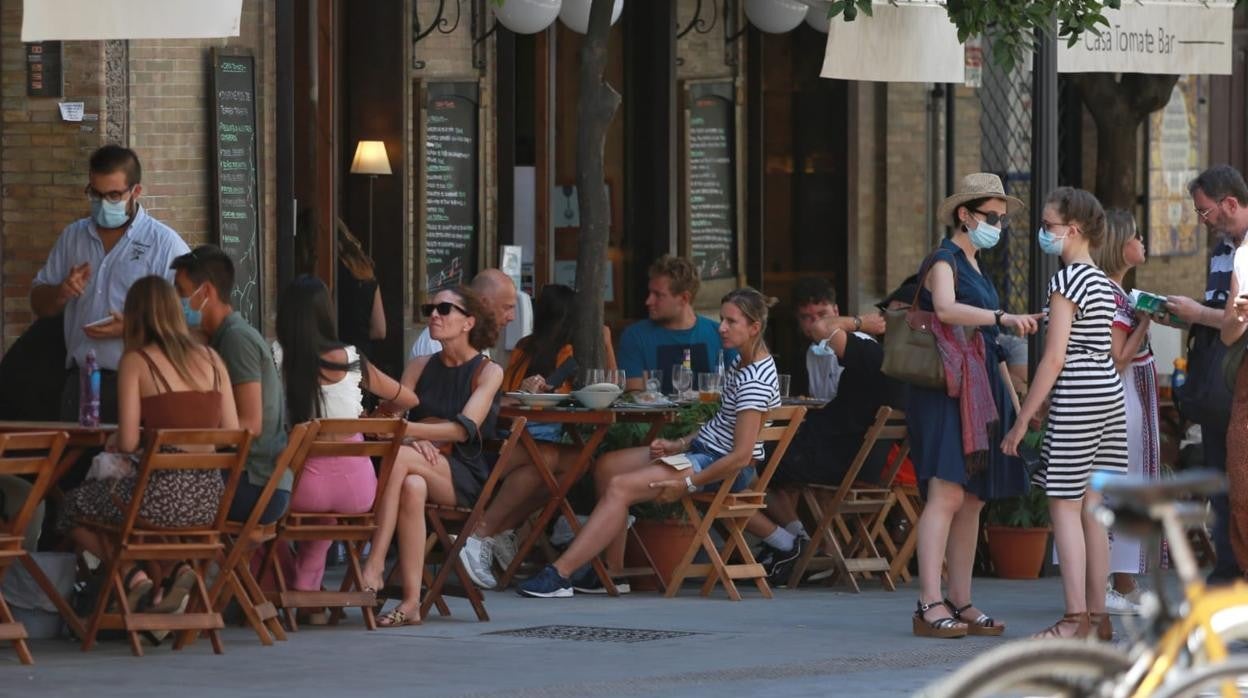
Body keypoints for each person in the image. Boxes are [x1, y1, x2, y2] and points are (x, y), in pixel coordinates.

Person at [517, 288, 781, 598]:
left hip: (718, 469)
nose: (721, 327)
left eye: (731, 322)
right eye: (721, 319)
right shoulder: (742, 364)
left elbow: (740, 456)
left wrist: (689, 484)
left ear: (754, 328)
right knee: (606, 466)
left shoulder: (755, 380)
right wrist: (679, 443)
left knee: (620, 487)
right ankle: (610, 573)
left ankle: (560, 573)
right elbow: (722, 425)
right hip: (702, 454)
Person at [908, 173, 1039, 639]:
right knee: (945, 494)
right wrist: (1003, 316)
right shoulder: (945, 259)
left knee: (973, 499)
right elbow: (944, 310)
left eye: (1002, 219)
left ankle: (960, 599)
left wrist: (1015, 404)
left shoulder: (975, 264)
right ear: (964, 215)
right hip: (945, 390)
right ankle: (928, 601)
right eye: (990, 216)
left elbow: (990, 344)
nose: (998, 225)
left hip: (979, 389)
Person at [58, 275, 239, 613]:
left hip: (156, 500)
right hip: (210, 503)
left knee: (73, 506)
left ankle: (132, 575)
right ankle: (177, 571)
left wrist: (122, 438)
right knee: (126, 505)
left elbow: (127, 441)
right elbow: (231, 432)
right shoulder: (214, 360)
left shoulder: (137, 361)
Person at [1003, 187, 1127, 641]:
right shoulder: (1102, 281)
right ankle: (1098, 618)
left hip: (1077, 391)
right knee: (1094, 510)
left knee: (1064, 506)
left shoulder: (1067, 280)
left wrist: (1022, 420)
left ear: (1072, 230)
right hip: (1108, 393)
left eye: (1048, 225)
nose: (1043, 233)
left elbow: (1053, 359)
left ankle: (1074, 618)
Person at [360, 286, 504, 627]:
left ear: (468, 322)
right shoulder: (420, 365)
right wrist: (410, 441)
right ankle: (411, 601)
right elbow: (391, 421)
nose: (434, 315)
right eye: (430, 308)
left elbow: (461, 430)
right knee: (411, 484)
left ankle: (376, 561)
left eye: (444, 309)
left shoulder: (488, 371)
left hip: (463, 474)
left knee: (401, 462)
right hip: (420, 465)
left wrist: (410, 435)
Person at [457, 284, 614, 589]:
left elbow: (605, 387)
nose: (511, 317)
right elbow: (604, 387)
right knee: (548, 458)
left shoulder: (523, 348)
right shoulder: (552, 352)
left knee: (578, 462)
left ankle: (499, 530)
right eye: (507, 309)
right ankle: (480, 532)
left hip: (515, 434)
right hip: (497, 441)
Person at [272, 275, 418, 601]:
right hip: (358, 491)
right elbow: (409, 399)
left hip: (300, 489)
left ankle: (285, 585)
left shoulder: (276, 357)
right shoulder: (352, 358)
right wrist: (379, 412)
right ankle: (306, 591)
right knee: (323, 515)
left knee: (254, 515)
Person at [748, 276, 902, 585]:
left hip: (843, 459)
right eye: (806, 317)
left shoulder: (862, 346)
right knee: (769, 459)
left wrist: (858, 323)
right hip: (851, 454)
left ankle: (796, 543)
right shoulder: (822, 353)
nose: (814, 324)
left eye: (823, 316)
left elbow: (824, 331)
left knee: (749, 463)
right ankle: (801, 543)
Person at [30, 145, 190, 423]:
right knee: (76, 465)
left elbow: (191, 317)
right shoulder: (73, 237)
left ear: (135, 192)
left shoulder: (164, 244)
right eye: (96, 194)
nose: (103, 203)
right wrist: (61, 293)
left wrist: (134, 325)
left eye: (114, 195)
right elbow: (38, 302)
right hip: (80, 382)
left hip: (142, 383)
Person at [1167, 165, 1248, 583]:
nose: (1202, 220)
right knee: (1221, 472)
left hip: (1238, 377)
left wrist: (1199, 314)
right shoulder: (1223, 249)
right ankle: (1228, 569)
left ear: (1230, 204)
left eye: (1204, 211)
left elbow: (1236, 320)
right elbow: (1226, 315)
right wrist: (1187, 316)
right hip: (1221, 378)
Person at [169, 246, 289, 524]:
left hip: (251, 481)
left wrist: (186, 442)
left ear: (206, 292)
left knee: (147, 494)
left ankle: (166, 568)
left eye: (181, 291)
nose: (176, 300)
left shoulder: (237, 340)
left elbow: (250, 424)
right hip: (242, 476)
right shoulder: (219, 337)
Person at [1094, 209, 1159, 615]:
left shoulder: (1119, 292)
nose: (1143, 243)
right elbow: (1117, 357)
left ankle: (1124, 577)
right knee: (1121, 482)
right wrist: (1145, 322)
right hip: (1120, 397)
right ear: (1121, 245)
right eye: (1136, 236)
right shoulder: (1112, 295)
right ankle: (1108, 578)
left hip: (1129, 397)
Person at [617, 256, 739, 394]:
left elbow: (736, 393)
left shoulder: (721, 335)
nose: (648, 301)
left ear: (684, 298)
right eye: (650, 293)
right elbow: (634, 398)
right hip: (656, 416)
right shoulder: (635, 336)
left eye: (658, 295)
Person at [408, 269, 529, 362]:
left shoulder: (476, 337)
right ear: (483, 303)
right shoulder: (439, 338)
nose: (512, 317)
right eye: (506, 307)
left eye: (442, 309)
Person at [335, 219, 386, 362]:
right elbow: (380, 330)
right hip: (361, 356)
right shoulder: (365, 273)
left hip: (331, 355)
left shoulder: (325, 273)